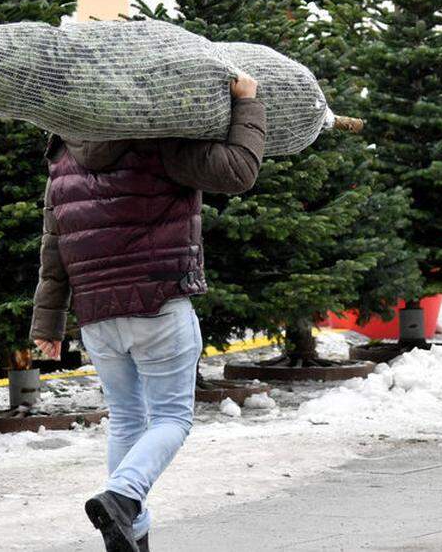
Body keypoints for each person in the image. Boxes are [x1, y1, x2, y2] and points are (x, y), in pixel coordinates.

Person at [29, 75, 265, 552]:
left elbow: (54, 249)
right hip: (158, 303)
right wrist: (248, 103)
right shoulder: (161, 142)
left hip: (96, 315)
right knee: (172, 418)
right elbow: (240, 170)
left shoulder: (63, 156)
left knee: (127, 418)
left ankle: (130, 536)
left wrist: (47, 326)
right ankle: (122, 497)